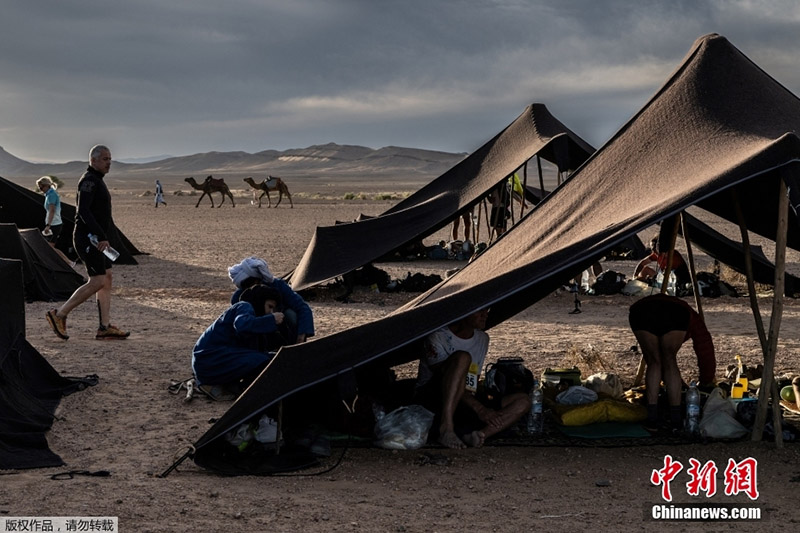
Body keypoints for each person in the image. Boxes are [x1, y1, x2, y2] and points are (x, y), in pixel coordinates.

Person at [45, 145, 129, 341]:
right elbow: (83, 211)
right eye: (105, 159)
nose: (109, 163)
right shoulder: (89, 181)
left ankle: (104, 327)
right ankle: (59, 315)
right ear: (93, 160)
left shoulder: (97, 180)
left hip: (97, 239)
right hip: (88, 239)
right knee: (98, 280)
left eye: (110, 159)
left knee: (106, 277)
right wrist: (100, 235)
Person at [414, 309, 530, 449]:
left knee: (522, 401)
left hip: (466, 397)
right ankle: (446, 429)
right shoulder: (438, 337)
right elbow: (446, 381)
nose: (484, 315)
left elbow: (472, 381)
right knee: (463, 358)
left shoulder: (482, 339)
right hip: (436, 397)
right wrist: (480, 409)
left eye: (487, 310)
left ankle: (479, 435)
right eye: (479, 311)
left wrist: (484, 405)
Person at [628, 293, 716, 431]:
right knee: (669, 359)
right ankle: (676, 418)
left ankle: (652, 418)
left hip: (642, 312)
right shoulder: (691, 316)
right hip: (676, 314)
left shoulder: (688, 314)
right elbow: (704, 347)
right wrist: (706, 379)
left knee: (654, 361)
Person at [192, 285, 283, 390]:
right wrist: (271, 320)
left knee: (268, 359)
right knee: (262, 361)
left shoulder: (253, 317)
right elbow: (241, 324)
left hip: (211, 362)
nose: (270, 312)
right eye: (269, 307)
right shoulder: (245, 306)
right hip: (209, 362)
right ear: (260, 301)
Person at [228, 256, 314, 345]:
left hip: (282, 329)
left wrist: (301, 336)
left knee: (290, 315)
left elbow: (302, 308)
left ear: (258, 281)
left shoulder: (278, 286)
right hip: (256, 333)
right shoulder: (238, 297)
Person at [35, 176, 73, 266]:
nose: (40, 189)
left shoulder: (51, 195)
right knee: (49, 246)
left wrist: (48, 225)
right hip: (54, 223)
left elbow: (52, 210)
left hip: (54, 224)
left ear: (46, 186)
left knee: (50, 246)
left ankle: (68, 262)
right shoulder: (49, 194)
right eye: (39, 187)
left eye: (41, 187)